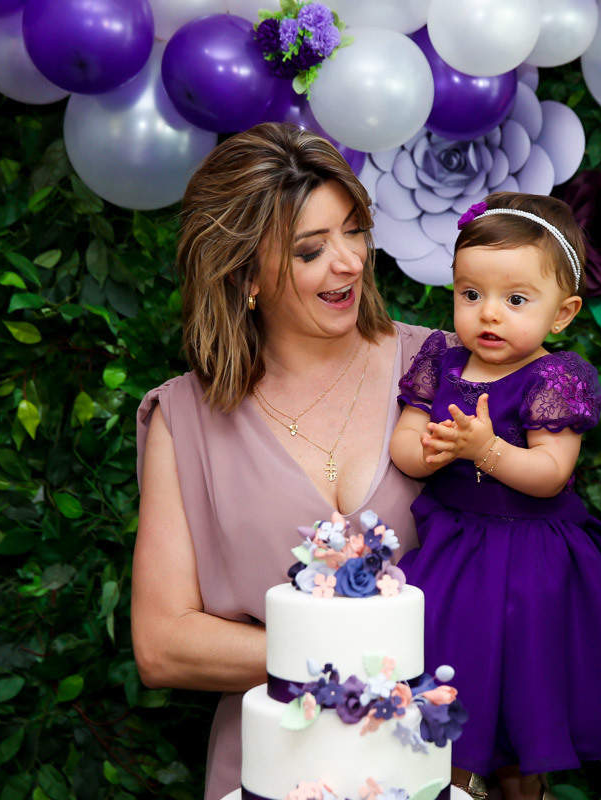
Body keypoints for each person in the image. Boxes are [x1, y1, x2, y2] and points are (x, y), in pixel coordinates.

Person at [132, 123, 441, 798]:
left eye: (354, 232)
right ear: (245, 275)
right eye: (311, 250)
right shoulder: (183, 420)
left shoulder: (443, 369)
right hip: (270, 773)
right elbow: (162, 644)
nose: (350, 262)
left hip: (437, 761)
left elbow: (526, 564)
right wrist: (361, 660)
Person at [390, 192, 601, 800]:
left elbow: (550, 472)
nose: (489, 314)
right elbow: (405, 444)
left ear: (562, 313)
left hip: (531, 562)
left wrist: (484, 449)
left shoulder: (554, 376)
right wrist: (431, 451)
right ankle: (452, 784)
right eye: (471, 294)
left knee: (524, 690)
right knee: (451, 680)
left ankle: (526, 789)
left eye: (516, 300)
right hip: (454, 551)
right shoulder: (442, 363)